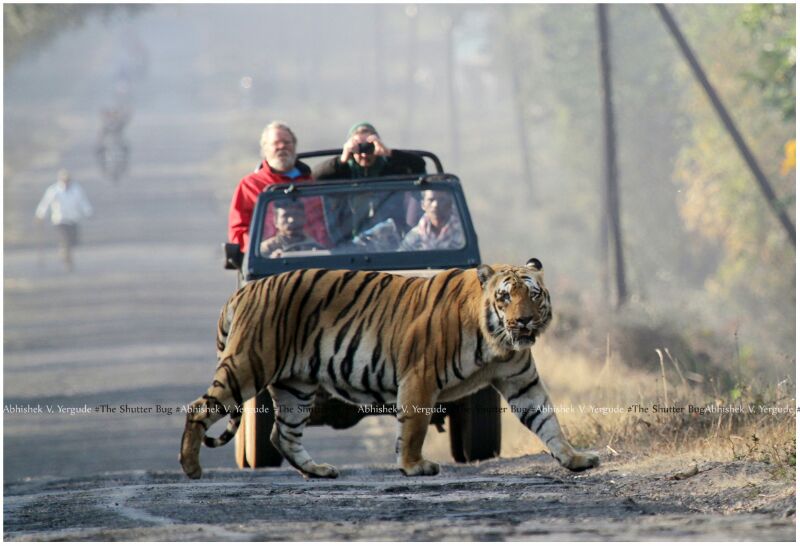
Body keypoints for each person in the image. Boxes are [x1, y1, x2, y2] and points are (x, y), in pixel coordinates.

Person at [313, 122, 426, 246]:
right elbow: (316, 176)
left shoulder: (391, 168)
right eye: (359, 147)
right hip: (348, 240)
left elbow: (419, 165)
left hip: (390, 238)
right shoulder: (342, 171)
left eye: (369, 147)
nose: (364, 154)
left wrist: (389, 153)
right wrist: (342, 159)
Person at [228, 121, 328, 252]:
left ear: (294, 147)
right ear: (265, 149)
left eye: (287, 143)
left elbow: (325, 226)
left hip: (315, 259)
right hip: (270, 264)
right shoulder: (250, 185)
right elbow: (238, 231)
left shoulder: (311, 185)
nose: (282, 147)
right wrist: (259, 251)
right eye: (276, 143)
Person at [34, 169, 93, 271]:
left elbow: (83, 202)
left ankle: (65, 253)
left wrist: (88, 212)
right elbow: (45, 203)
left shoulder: (76, 189)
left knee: (73, 241)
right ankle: (66, 259)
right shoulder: (54, 190)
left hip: (73, 219)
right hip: (60, 220)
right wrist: (40, 214)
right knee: (65, 241)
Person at [400, 190, 465, 251]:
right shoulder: (414, 236)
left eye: (441, 200)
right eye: (431, 200)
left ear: (450, 204)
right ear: (423, 205)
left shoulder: (463, 234)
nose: (435, 205)